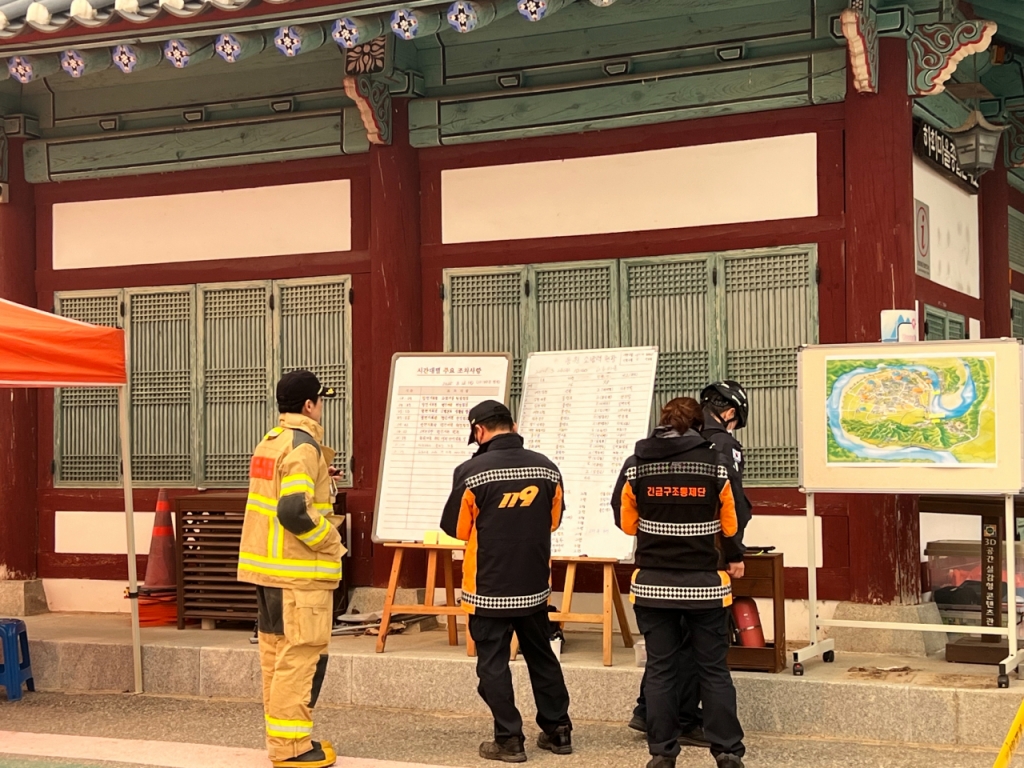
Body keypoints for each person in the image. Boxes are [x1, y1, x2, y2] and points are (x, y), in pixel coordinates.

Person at [613, 397, 747, 768]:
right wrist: (734, 555)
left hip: (653, 585)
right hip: (706, 586)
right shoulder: (716, 464)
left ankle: (662, 752)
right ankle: (727, 751)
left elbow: (626, 523)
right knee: (713, 669)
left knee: (661, 669)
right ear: (700, 426)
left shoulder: (636, 465)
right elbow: (732, 525)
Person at [440, 400, 573, 763]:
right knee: (542, 657)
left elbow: (457, 529)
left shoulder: (471, 472)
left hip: (489, 587)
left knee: (493, 664)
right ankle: (559, 730)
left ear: (479, 431)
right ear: (513, 426)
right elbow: (553, 520)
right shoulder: (546, 468)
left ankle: (509, 739)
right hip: (533, 584)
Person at [238, 370, 345, 768]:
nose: (322, 408)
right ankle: (292, 749)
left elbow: (282, 496)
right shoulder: (304, 447)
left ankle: (284, 740)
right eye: (321, 401)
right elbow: (294, 511)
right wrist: (331, 542)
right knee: (300, 659)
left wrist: (322, 479)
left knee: (277, 659)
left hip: (268, 572)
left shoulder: (271, 441)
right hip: (298, 574)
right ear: (309, 405)